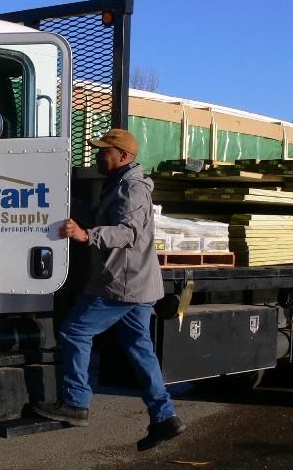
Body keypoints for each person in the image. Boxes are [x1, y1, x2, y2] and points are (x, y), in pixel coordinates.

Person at [32, 128, 185, 451]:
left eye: (105, 151)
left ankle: (75, 402)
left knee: (75, 331)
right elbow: (101, 215)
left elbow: (127, 233)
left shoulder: (130, 188)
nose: (99, 155)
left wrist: (87, 237)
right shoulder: (119, 184)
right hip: (137, 283)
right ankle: (165, 417)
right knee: (140, 350)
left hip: (121, 283)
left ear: (123, 156)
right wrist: (64, 201)